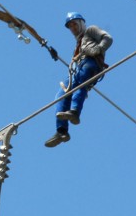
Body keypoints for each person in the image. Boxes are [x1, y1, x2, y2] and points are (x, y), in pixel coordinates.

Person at [45, 12, 113, 148]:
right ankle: (62, 131)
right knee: (61, 95)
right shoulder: (78, 44)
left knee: (81, 84)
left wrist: (99, 48)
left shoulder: (91, 30)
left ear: (81, 23)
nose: (73, 28)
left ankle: (75, 111)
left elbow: (108, 38)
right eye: (70, 26)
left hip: (91, 64)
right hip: (77, 69)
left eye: (74, 24)